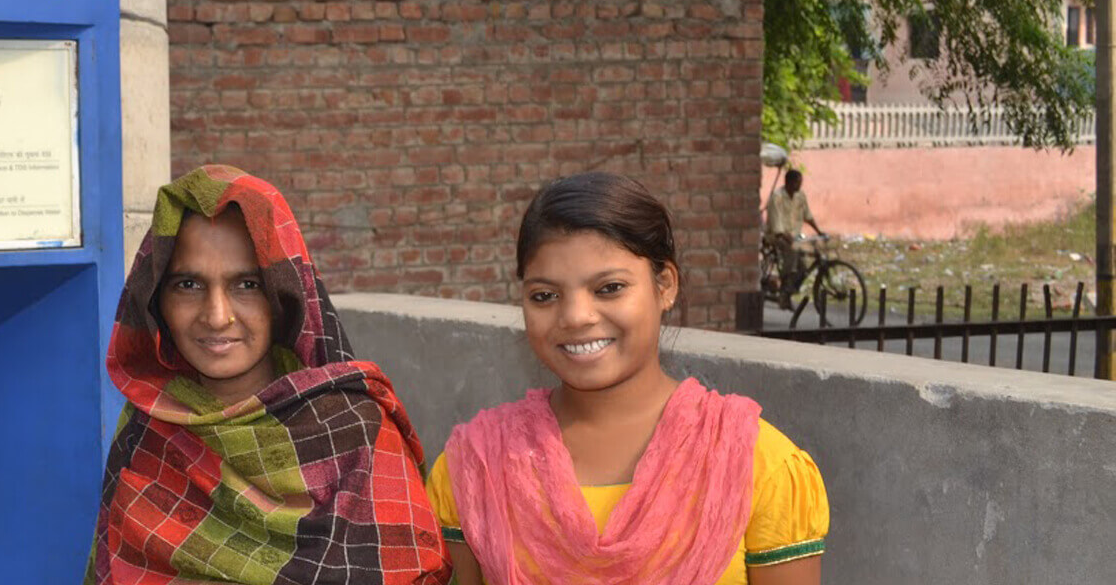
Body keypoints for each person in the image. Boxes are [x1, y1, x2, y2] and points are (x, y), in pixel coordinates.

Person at [426, 172, 829, 585]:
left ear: (665, 285)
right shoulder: (477, 469)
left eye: (609, 288)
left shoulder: (757, 466)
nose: (576, 316)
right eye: (545, 295)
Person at [87, 165, 449, 585]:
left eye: (247, 285)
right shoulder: (148, 428)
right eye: (188, 284)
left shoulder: (355, 434)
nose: (217, 316)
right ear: (155, 302)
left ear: (283, 294)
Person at [763, 169, 823, 298]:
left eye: (800, 183)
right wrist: (788, 238)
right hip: (776, 236)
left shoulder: (800, 196)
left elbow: (808, 216)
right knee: (792, 250)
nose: (800, 185)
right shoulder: (777, 197)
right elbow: (777, 227)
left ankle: (791, 287)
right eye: (797, 183)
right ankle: (785, 284)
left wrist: (819, 231)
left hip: (795, 236)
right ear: (788, 182)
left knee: (804, 264)